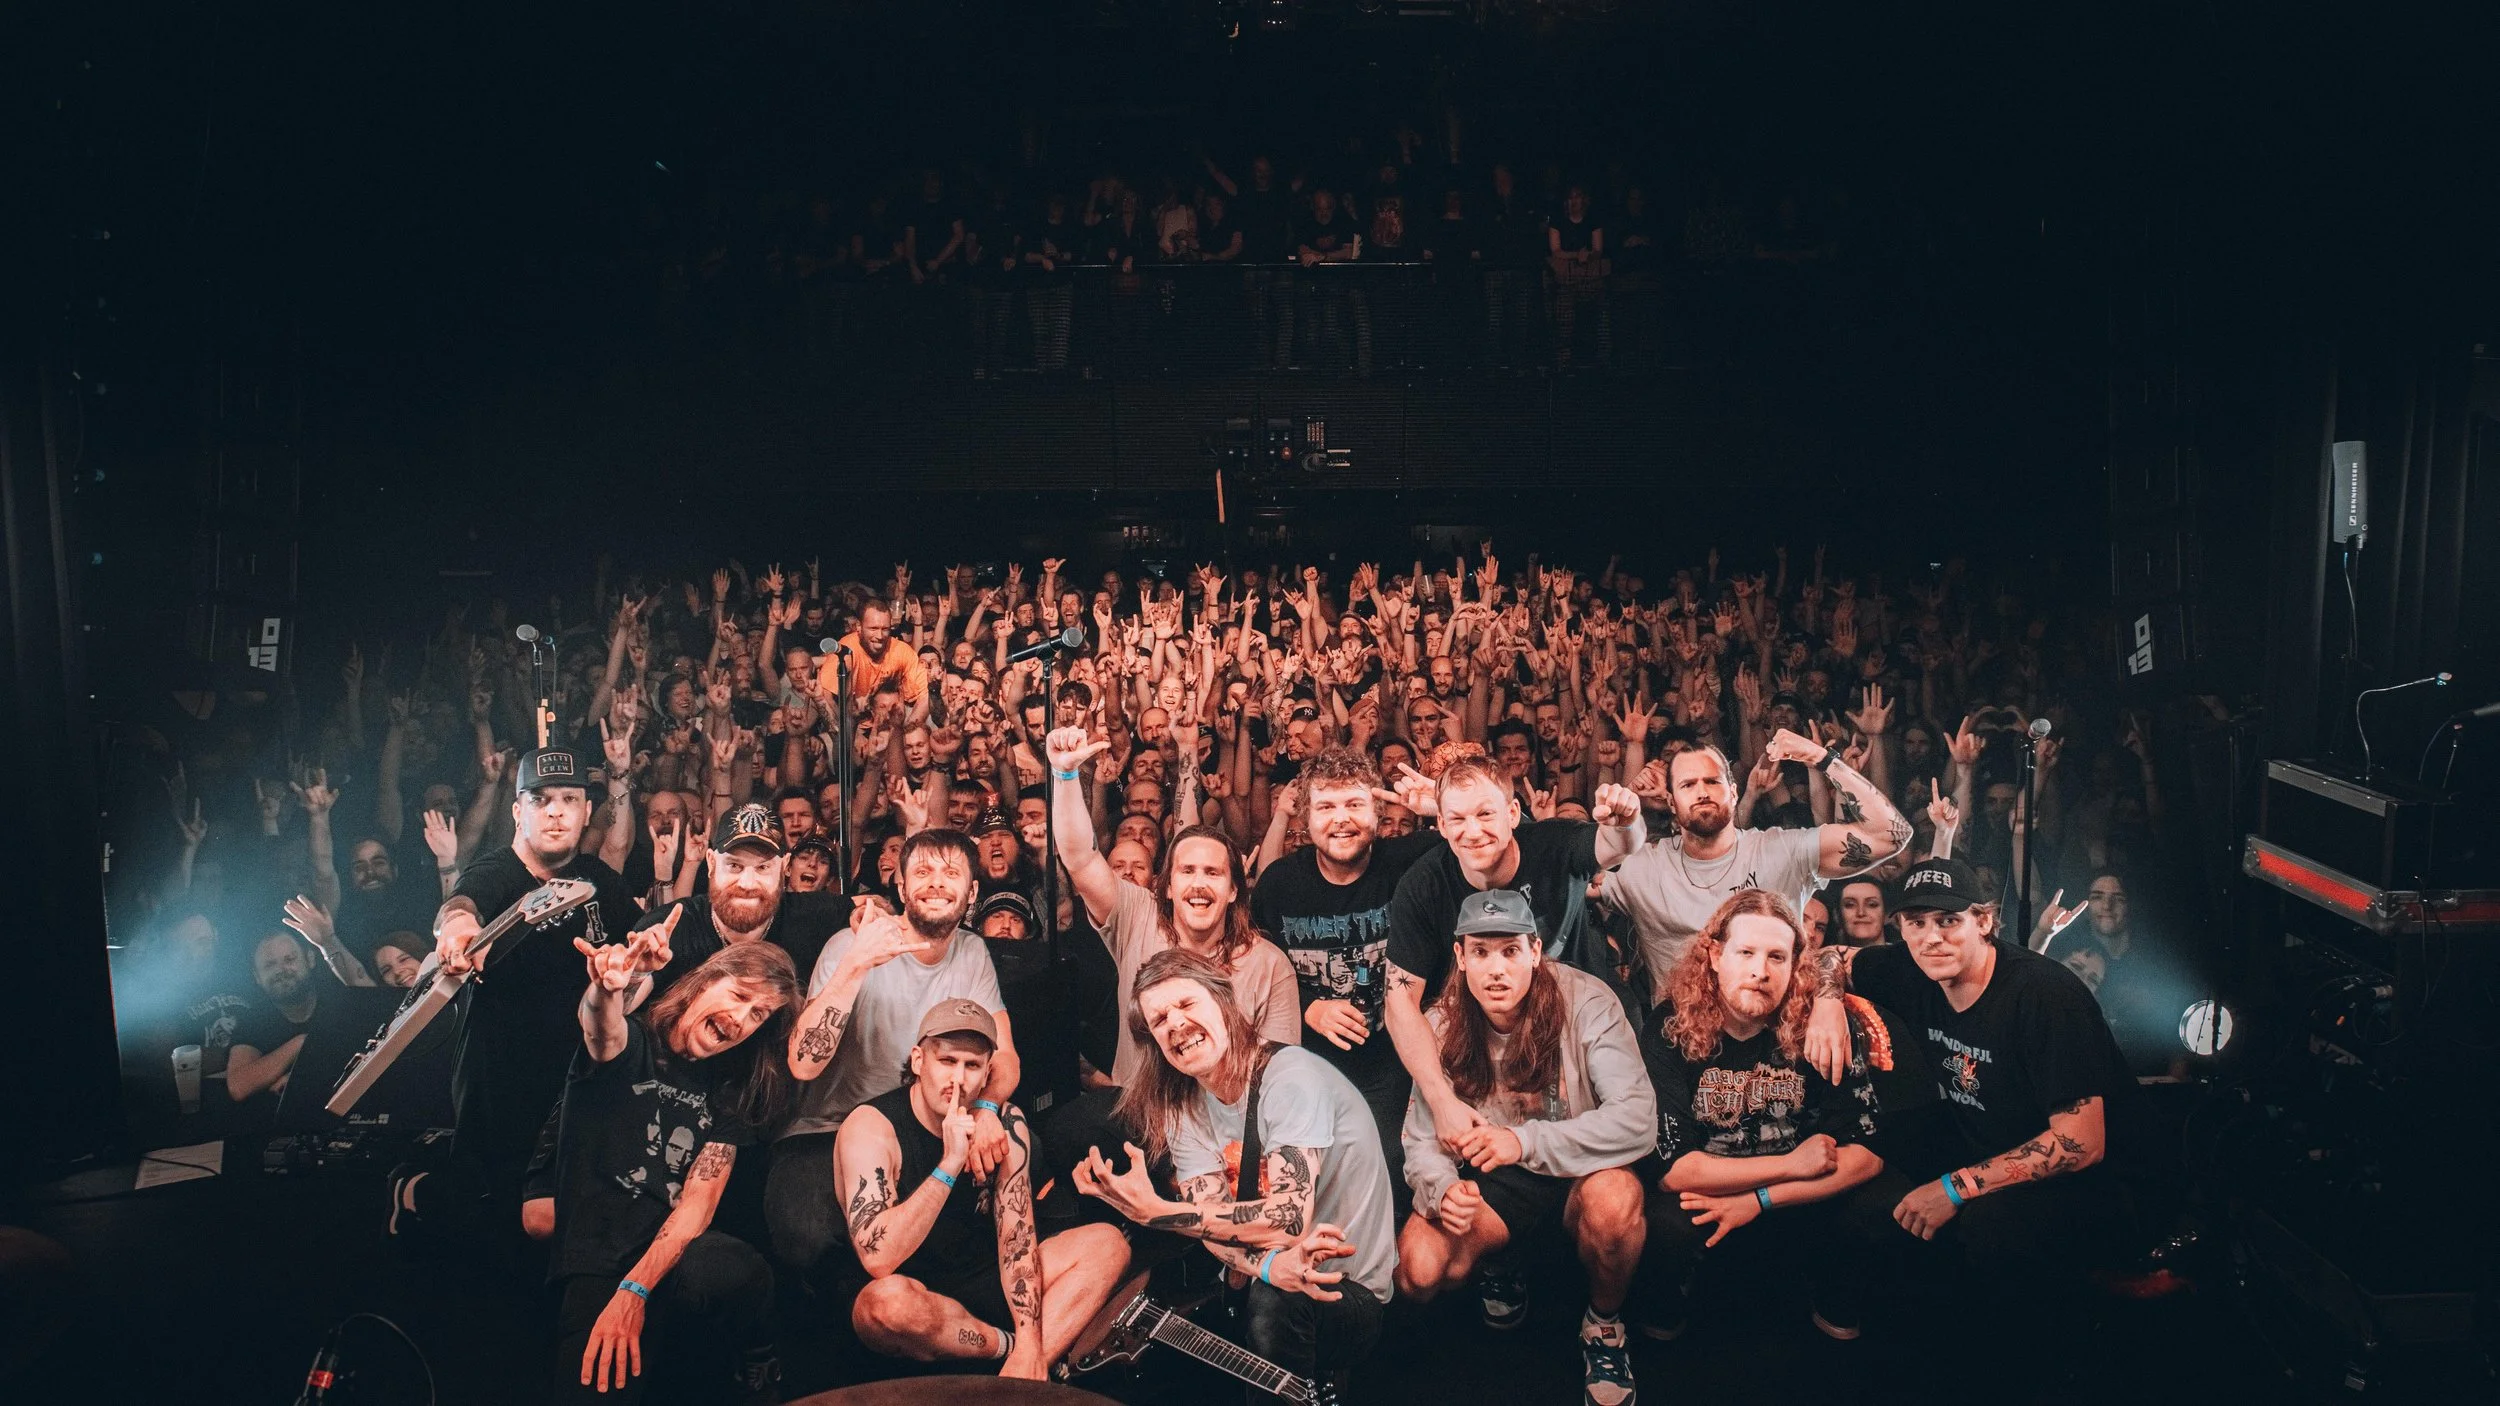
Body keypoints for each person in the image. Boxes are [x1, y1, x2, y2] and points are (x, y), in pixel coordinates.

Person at [1074, 951, 1396, 1402]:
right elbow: (1209, 1224)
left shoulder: (1291, 1078)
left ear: (1224, 1002)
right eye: (1160, 1019)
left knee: (1273, 1305)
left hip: (1345, 1290)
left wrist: (1161, 1214)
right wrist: (1266, 1265)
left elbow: (1288, 1217)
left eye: (1187, 1004)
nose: (1176, 1024)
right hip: (1273, 1270)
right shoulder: (1183, 1104)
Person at [1802, 858, 2132, 1299]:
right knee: (1879, 1168)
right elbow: (1830, 958)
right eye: (1917, 922)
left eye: (1948, 920)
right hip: (1988, 1138)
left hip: (2100, 1182)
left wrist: (1952, 1188)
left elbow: (2081, 1143)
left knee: (1988, 1226)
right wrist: (1826, 1002)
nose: (1932, 937)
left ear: (1983, 921)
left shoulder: (2045, 996)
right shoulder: (1910, 967)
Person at [1392, 890, 1654, 1406]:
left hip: (1581, 1170)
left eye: (1510, 951)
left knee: (1616, 1204)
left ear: (1535, 952)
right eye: (1482, 953)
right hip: (1498, 1185)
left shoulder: (1588, 1000)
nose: (1496, 969)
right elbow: (1422, 1139)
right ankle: (1502, 1261)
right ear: (1461, 957)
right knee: (1416, 1271)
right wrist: (1442, 1189)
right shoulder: (1442, 1024)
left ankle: (1603, 1327)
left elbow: (1638, 1119)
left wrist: (1523, 1140)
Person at [550, 916, 798, 1404]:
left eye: (758, 1015)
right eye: (740, 996)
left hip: (672, 1259)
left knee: (736, 1268)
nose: (742, 1019)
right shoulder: (635, 1043)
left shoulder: (729, 1091)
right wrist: (608, 988)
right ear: (706, 981)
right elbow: (601, 1029)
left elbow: (698, 1206)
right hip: (599, 1259)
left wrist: (637, 1291)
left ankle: (755, 1353)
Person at [1639, 889, 1898, 1342]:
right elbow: (1673, 1171)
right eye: (1746, 953)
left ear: (1796, 963)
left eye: (1777, 956)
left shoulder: (1821, 1026)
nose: (1761, 971)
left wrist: (1760, 1199)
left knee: (1876, 1203)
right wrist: (1790, 1164)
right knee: (1664, 1225)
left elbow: (1869, 1154)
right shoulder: (1670, 1026)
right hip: (1712, 1198)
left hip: (1799, 1201)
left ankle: (1832, 1308)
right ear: (1716, 955)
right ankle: (1667, 1317)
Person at [766, 829, 1017, 1287]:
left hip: (924, 1127)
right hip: (829, 1128)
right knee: (808, 1236)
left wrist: (985, 1109)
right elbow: (803, 1064)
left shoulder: (972, 951)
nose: (936, 883)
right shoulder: (850, 945)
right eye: (922, 872)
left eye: (951, 873)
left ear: (972, 892)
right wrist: (856, 964)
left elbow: (1006, 1057)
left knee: (1024, 1156)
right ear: (901, 888)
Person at [1382, 758, 1644, 1183]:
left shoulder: (1552, 845)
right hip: (1488, 1036)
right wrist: (1441, 1099)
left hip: (1581, 1024)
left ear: (1512, 814)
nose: (1473, 831)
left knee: (1614, 1186)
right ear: (1441, 827)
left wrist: (1626, 820)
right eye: (1457, 819)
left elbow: (1618, 844)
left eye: (1485, 814)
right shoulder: (1425, 882)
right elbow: (1398, 1002)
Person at [836, 999, 1129, 1378]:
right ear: (918, 1061)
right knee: (885, 1308)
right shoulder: (871, 1127)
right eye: (947, 1061)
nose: (958, 1079)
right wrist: (950, 1162)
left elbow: (1016, 1240)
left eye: (972, 1065)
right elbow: (879, 1259)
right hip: (916, 1294)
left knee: (1109, 1245)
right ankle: (1007, 1353)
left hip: (986, 1279)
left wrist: (1028, 1338)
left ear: (988, 1071)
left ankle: (1020, 1373)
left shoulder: (1005, 1122)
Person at [416, 745, 643, 1233]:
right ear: (519, 811)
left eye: (568, 798)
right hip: (500, 1085)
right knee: (490, 1217)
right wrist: (456, 934)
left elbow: (639, 945)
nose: (556, 810)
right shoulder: (500, 871)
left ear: (586, 811)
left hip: (574, 1084)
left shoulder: (597, 878)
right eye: (541, 800)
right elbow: (459, 906)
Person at [1599, 729, 1912, 1006]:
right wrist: (1622, 815)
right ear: (1670, 803)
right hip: (1683, 1049)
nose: (1703, 792)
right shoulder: (1642, 869)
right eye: (1688, 784)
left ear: (1734, 793)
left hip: (1777, 1045)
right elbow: (1563, 877)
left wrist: (1822, 758)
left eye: (1712, 781)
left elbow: (1892, 834)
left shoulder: (1783, 851)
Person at [1249, 749, 1443, 1190]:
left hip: (1394, 1059)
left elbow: (1504, 842)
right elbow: (1253, 975)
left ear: (1378, 810)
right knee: (1312, 1181)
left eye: (1354, 804)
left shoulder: (1411, 861)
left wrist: (1440, 808)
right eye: (1326, 807)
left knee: (1388, 1171)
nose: (1341, 819)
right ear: (1304, 817)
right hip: (1307, 1064)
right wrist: (1308, 1007)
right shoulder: (1279, 885)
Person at [635, 803, 852, 995]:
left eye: (763, 867)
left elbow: (876, 911)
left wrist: (869, 921)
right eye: (734, 866)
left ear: (784, 867)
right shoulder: (670, 927)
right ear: (711, 863)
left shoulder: (811, 915)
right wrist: (630, 977)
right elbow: (623, 1008)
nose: (747, 884)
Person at [225, 932, 324, 1103]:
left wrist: (299, 1078)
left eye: (289, 959)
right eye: (270, 965)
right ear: (257, 977)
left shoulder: (335, 997)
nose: (281, 970)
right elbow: (239, 1086)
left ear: (310, 959)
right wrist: (303, 1041)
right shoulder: (255, 1018)